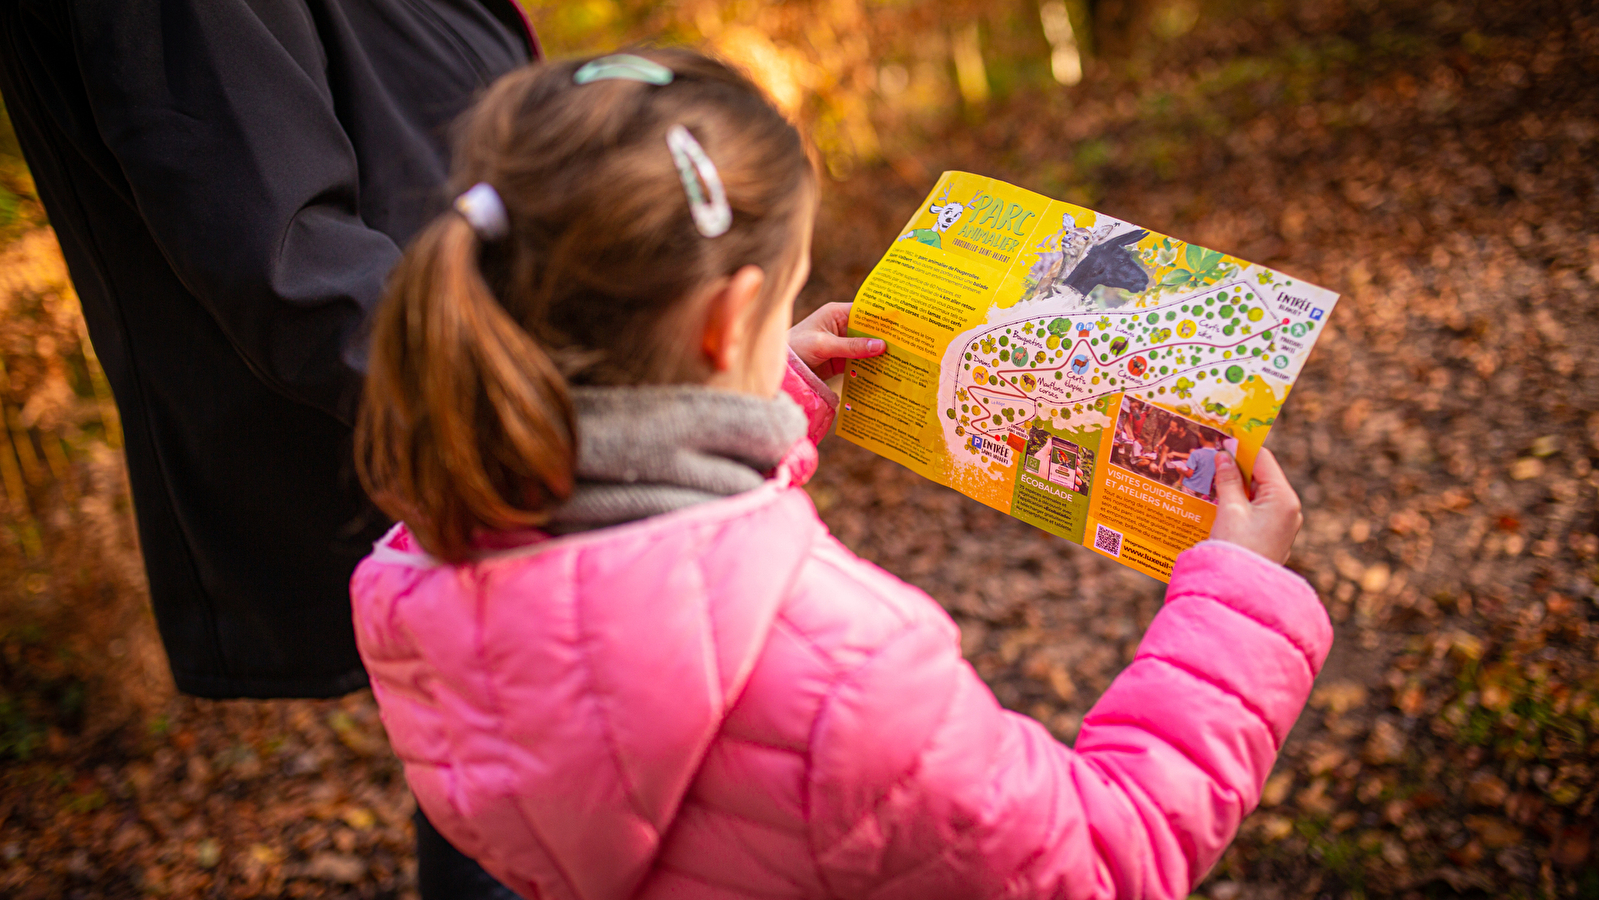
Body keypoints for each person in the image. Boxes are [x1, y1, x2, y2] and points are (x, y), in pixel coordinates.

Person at [350, 49, 1330, 899]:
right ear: (727, 321)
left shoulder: (420, 564)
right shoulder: (849, 672)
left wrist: (763, 392)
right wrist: (1239, 601)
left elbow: (635, 555)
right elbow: (1103, 861)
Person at [0, 2, 536, 895]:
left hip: (498, 397)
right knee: (519, 779)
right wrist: (559, 412)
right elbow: (285, 257)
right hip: (457, 432)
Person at [1177, 430, 1223, 501]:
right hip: (1204, 491)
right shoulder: (1219, 456)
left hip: (1190, 488)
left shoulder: (1196, 454)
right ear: (1216, 439)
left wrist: (1180, 470)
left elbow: (1189, 474)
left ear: (1201, 436)